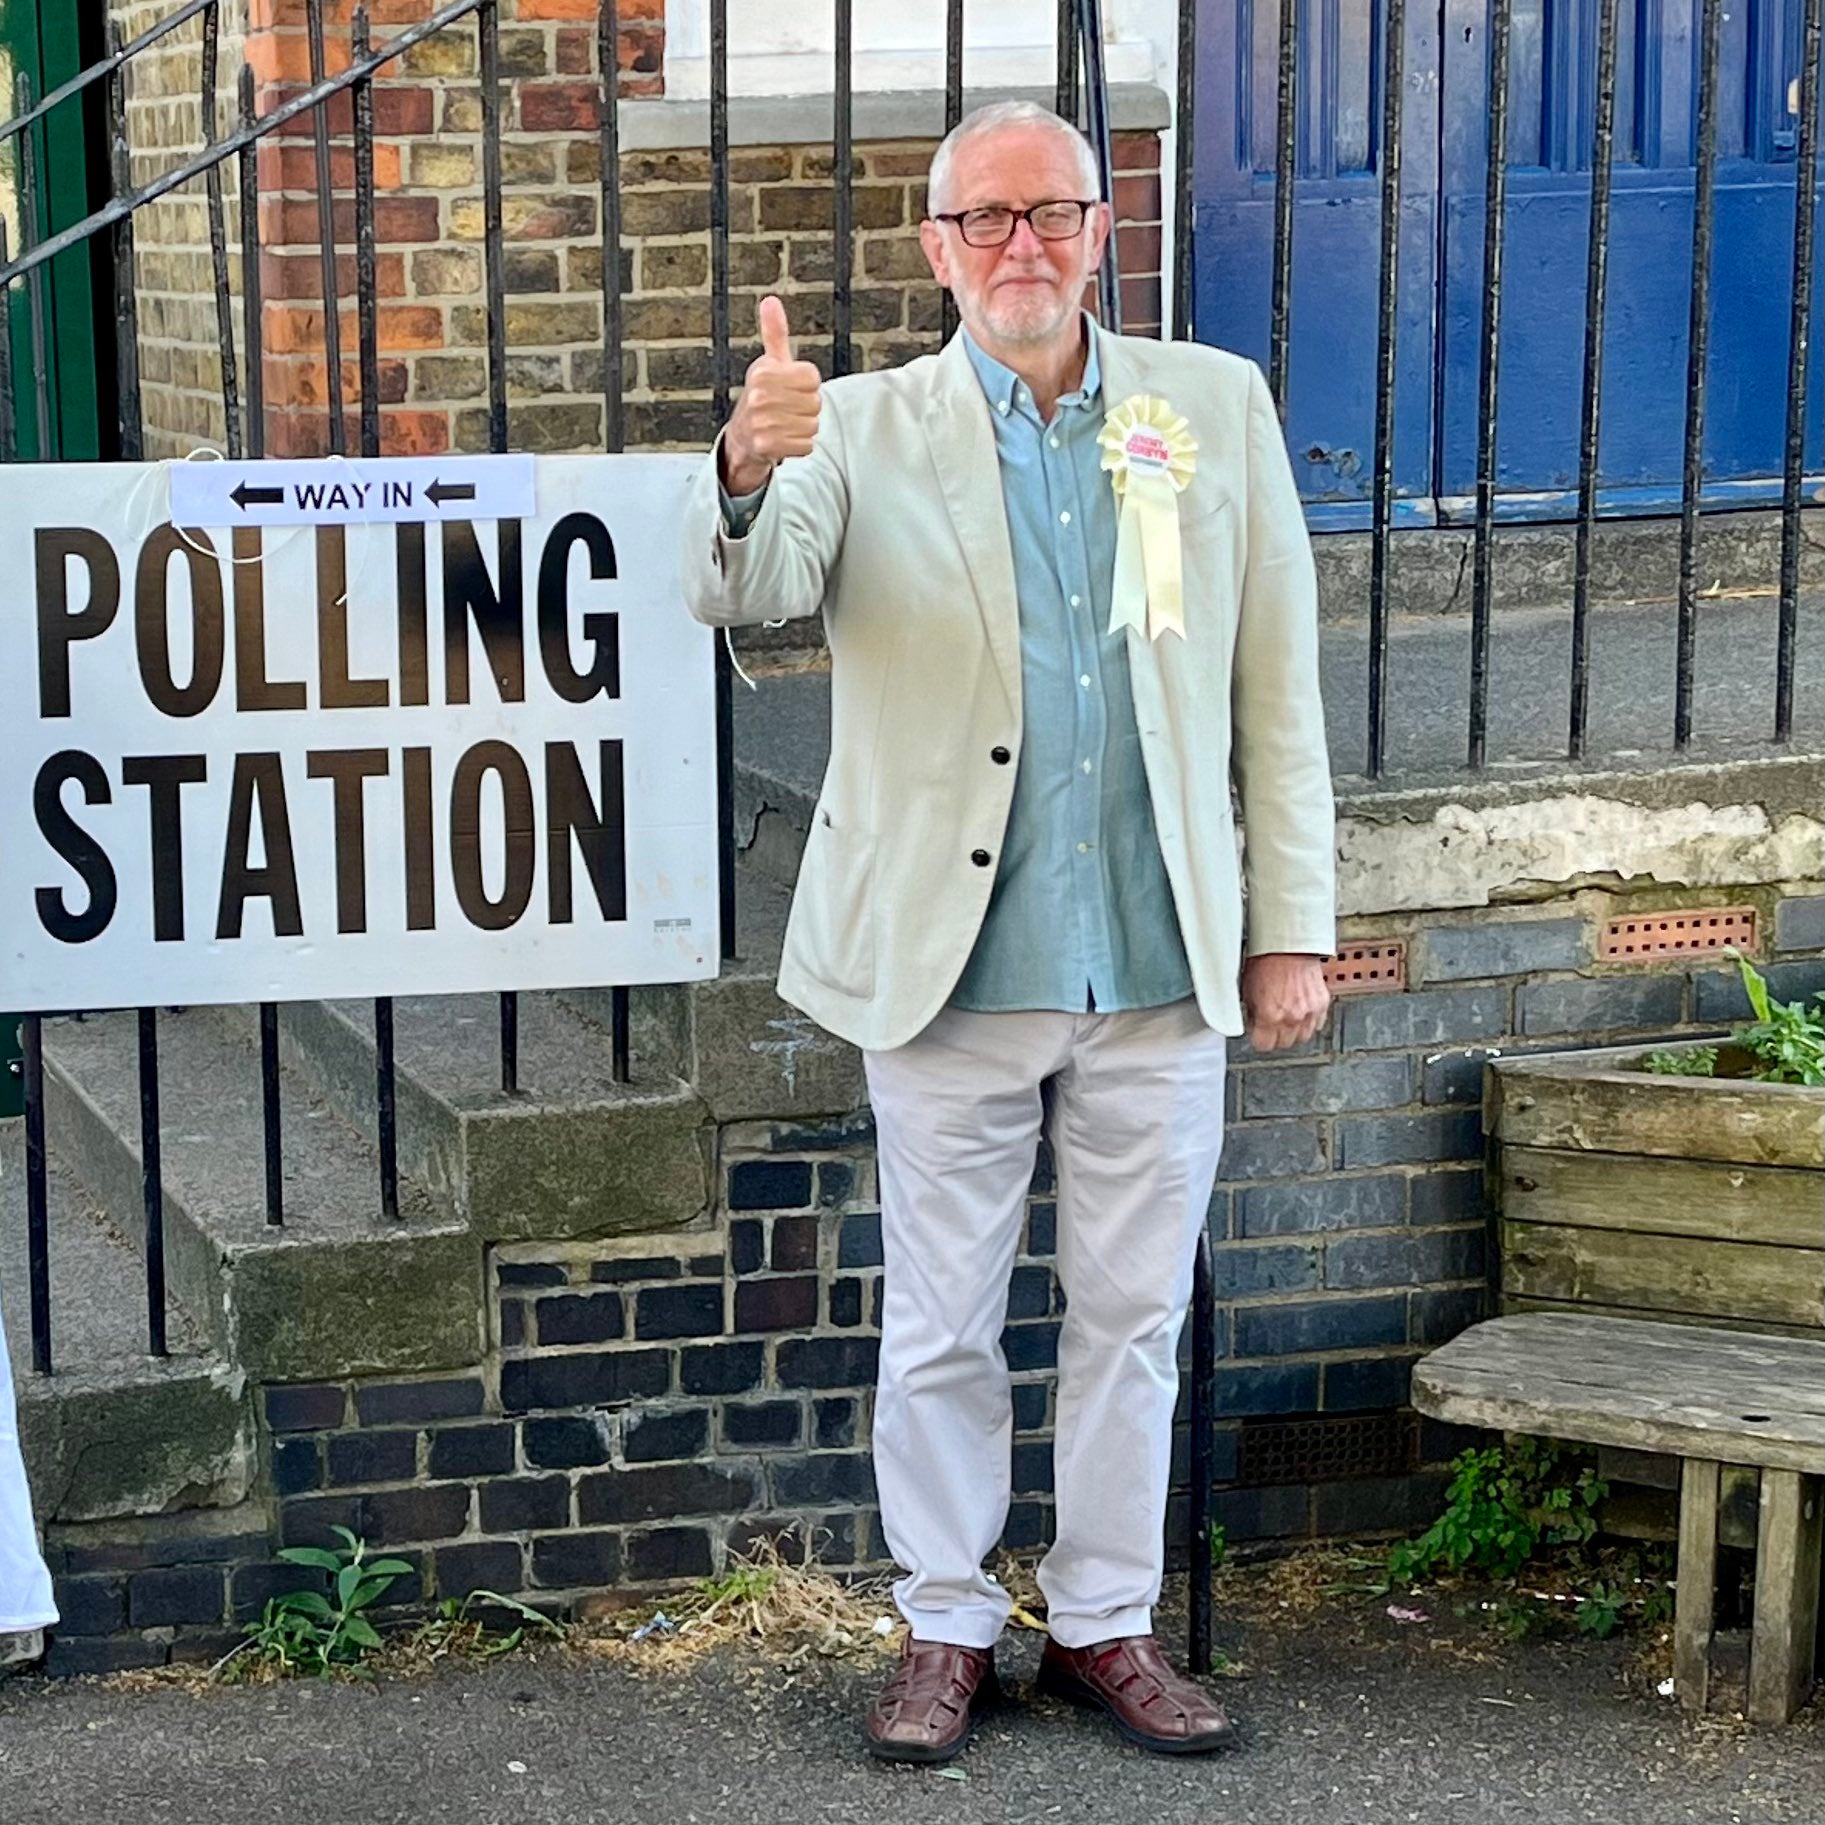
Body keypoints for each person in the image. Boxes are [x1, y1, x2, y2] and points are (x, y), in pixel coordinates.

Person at [680, 98, 1334, 1763]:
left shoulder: (1209, 406)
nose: (1020, 245)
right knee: (942, 1318)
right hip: (950, 966)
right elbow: (757, 592)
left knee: (1131, 1318)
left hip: (1156, 957)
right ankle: (946, 1618)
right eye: (984, 219)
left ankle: (1104, 1616)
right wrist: (751, 467)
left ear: (1104, 227)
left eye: (1050, 211)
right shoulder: (865, 425)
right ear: (936, 250)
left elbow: (1277, 685)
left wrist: (1290, 927)